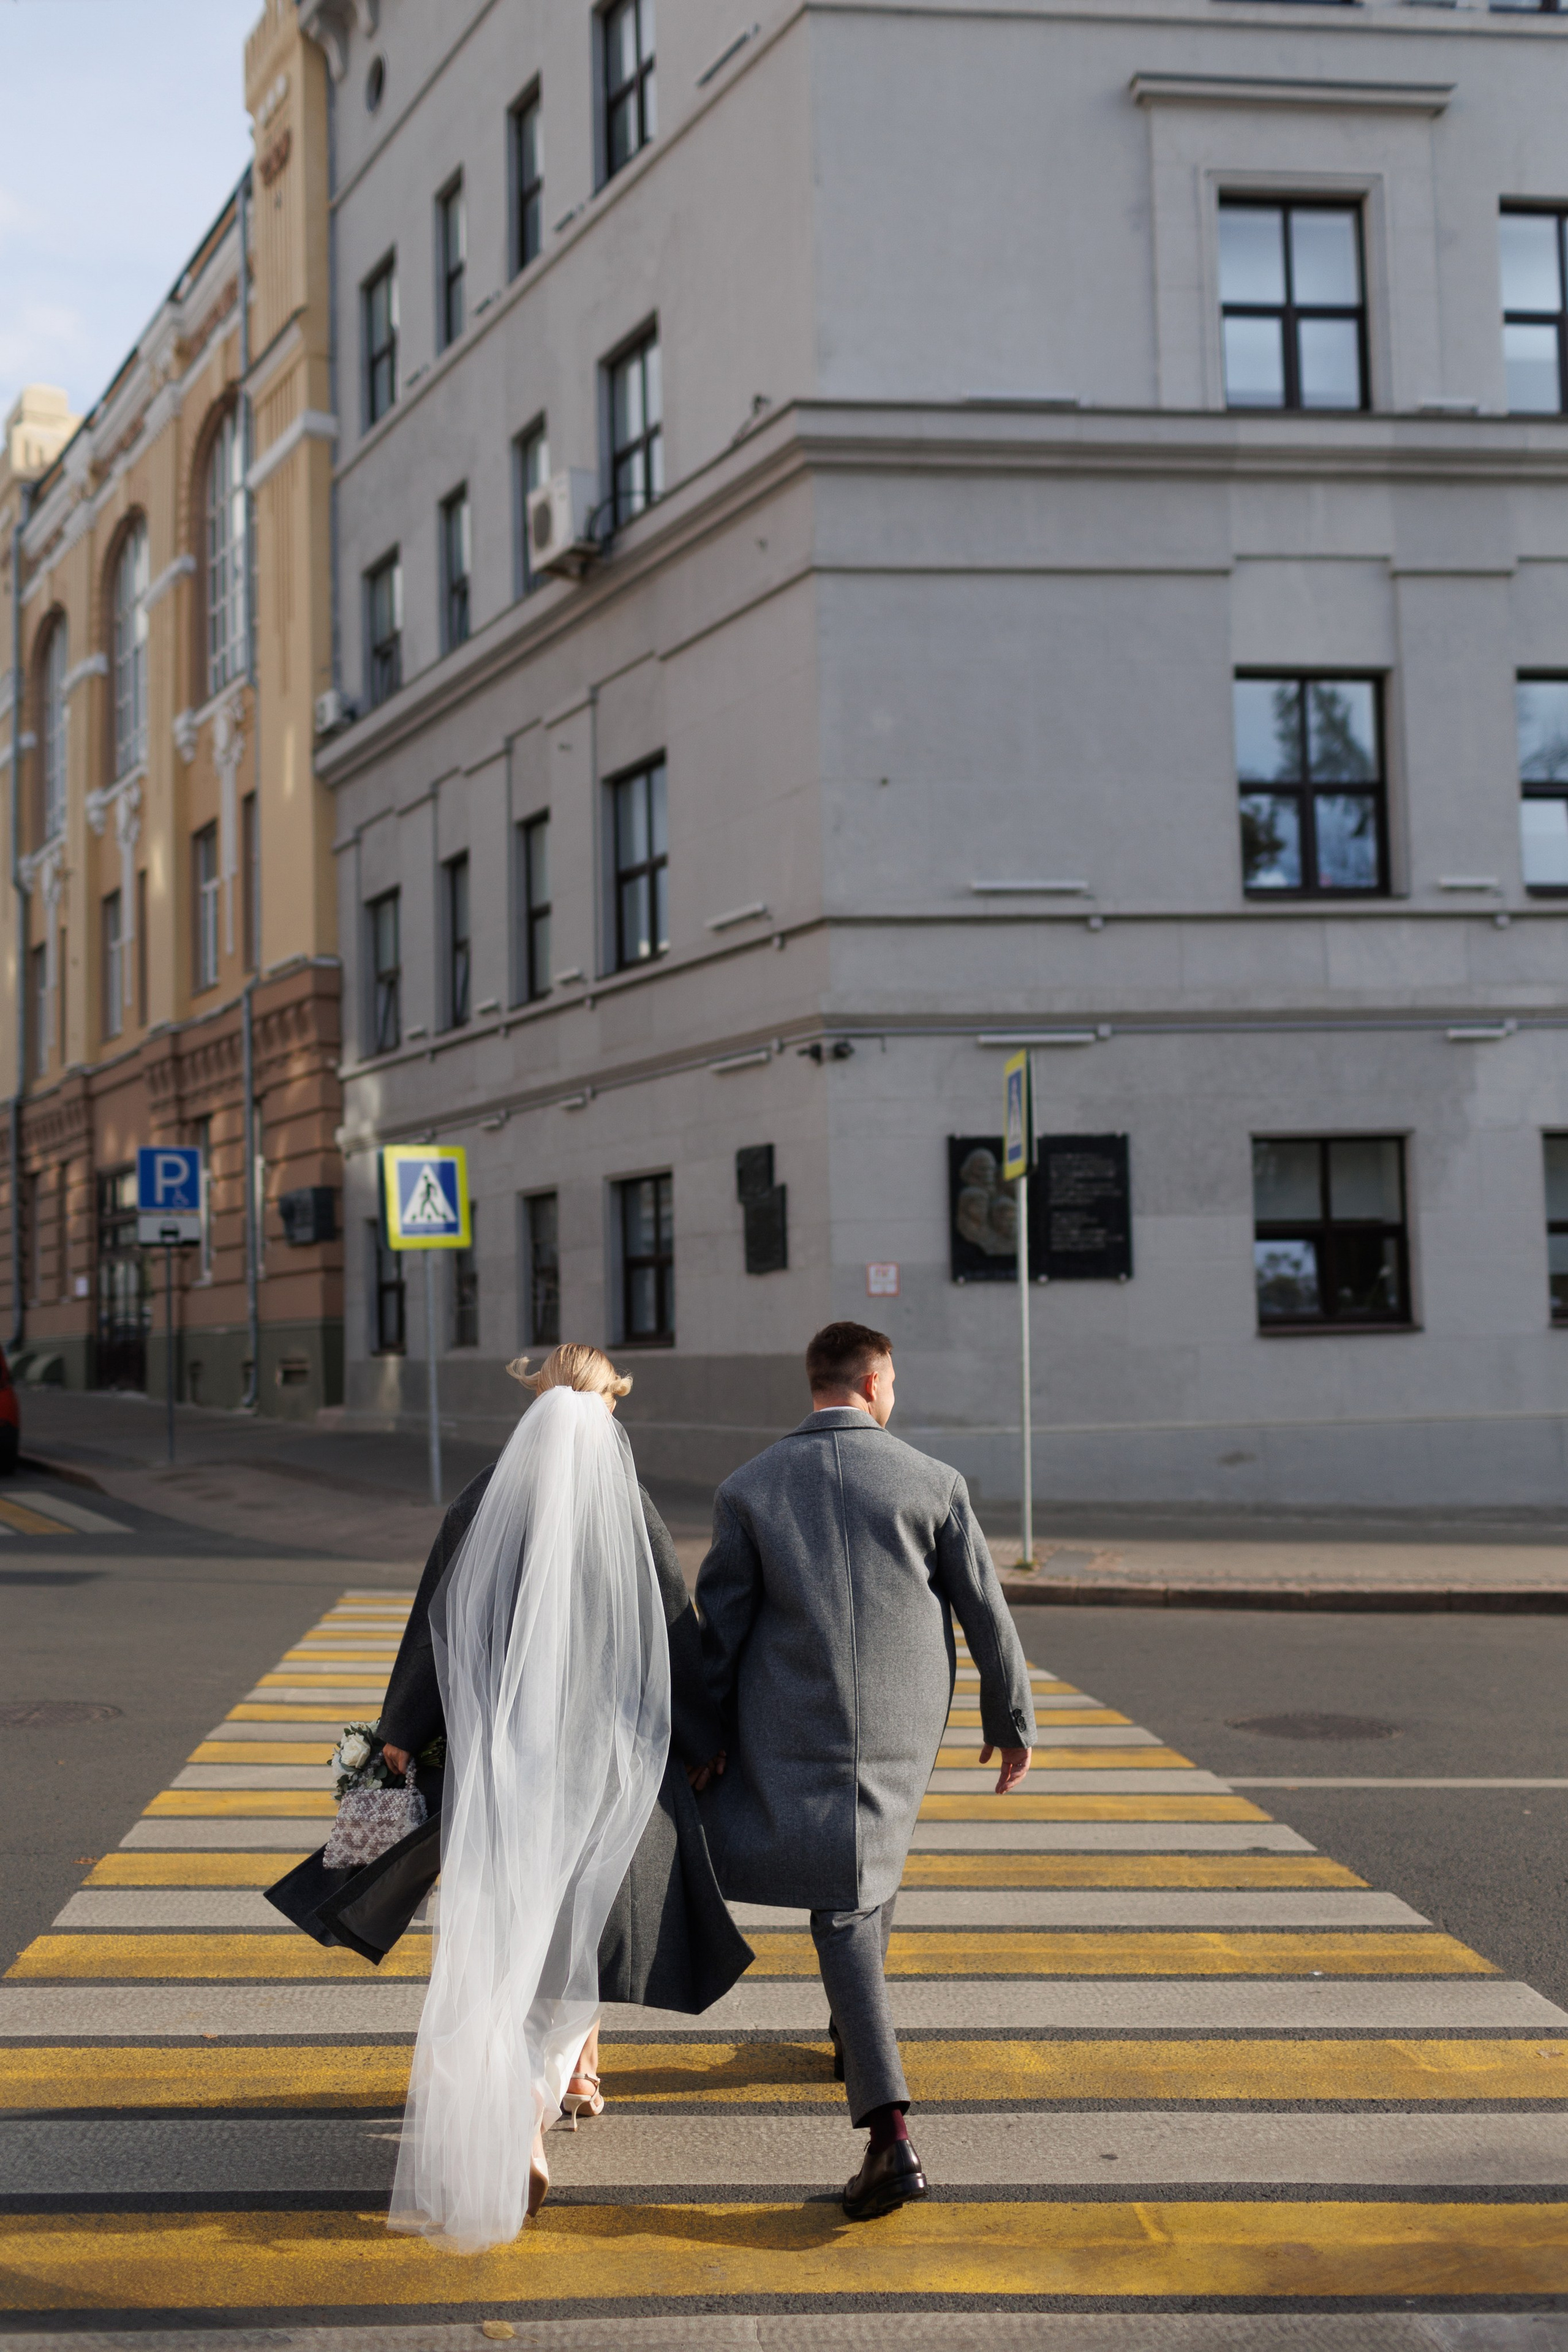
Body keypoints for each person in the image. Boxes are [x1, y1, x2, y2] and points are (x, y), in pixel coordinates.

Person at [380, 1344, 750, 2252]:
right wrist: (705, 1741)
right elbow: (674, 1628)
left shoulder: (484, 1499)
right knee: (575, 1942)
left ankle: (513, 2111)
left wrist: (399, 1726)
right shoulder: (628, 1507)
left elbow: (440, 1619)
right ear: (606, 1410)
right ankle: (529, 2117)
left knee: (504, 1937)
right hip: (604, 1769)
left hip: (502, 1767)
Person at [696, 1320, 1036, 2220]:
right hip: (901, 1731)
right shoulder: (933, 1482)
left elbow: (720, 1628)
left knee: (850, 1886)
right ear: (877, 1381)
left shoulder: (749, 1487)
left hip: (790, 1725)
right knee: (856, 1887)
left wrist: (702, 1736)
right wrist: (1011, 1723)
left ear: (816, 1385)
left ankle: (869, 2068)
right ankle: (890, 2132)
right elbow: (985, 1614)